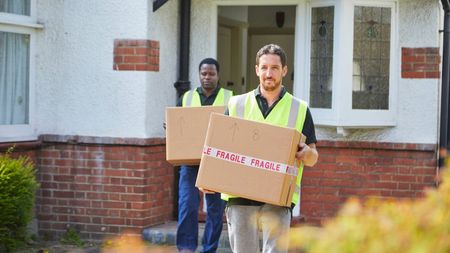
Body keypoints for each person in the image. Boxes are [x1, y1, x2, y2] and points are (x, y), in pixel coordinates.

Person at [202, 44, 319, 253]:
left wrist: (307, 153)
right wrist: (209, 179)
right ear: (257, 69)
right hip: (239, 197)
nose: (269, 73)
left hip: (278, 198)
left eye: (274, 68)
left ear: (284, 70)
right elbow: (219, 148)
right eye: (264, 67)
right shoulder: (237, 104)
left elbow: (313, 157)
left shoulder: (299, 108)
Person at [176, 58, 233, 253]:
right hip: (190, 162)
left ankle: (209, 249)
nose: (207, 77)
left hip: (217, 162)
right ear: (199, 74)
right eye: (203, 73)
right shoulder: (186, 97)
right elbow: (178, 123)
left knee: (216, 211)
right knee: (187, 205)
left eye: (211, 74)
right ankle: (186, 248)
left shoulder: (230, 98)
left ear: (218, 75)